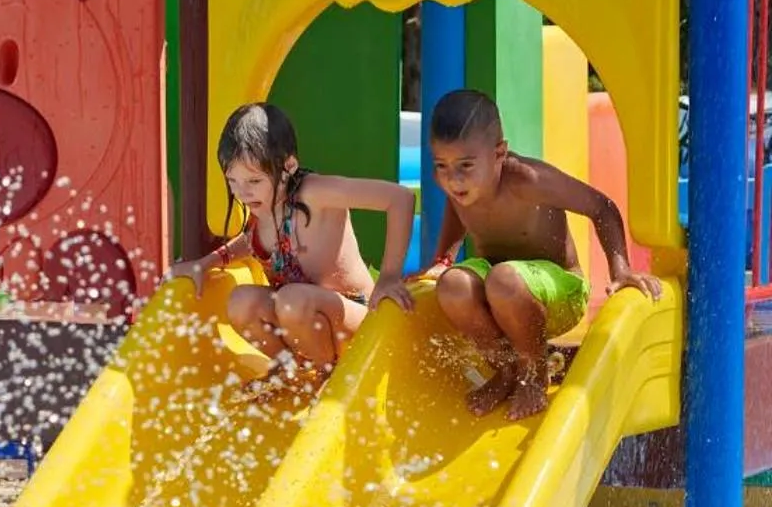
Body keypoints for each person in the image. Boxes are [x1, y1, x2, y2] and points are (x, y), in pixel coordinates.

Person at [370, 87, 661, 422]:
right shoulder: (462, 184)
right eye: (441, 165)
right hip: (499, 288)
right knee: (453, 285)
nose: (452, 179)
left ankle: (534, 372)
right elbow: (456, 208)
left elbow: (601, 206)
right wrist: (444, 260)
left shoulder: (527, 179)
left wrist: (620, 270)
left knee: (503, 279)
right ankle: (506, 371)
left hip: (559, 292)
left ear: (499, 153)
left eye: (465, 165)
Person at [169, 102, 418, 379]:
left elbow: (399, 198)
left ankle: (325, 376)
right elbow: (250, 242)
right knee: (241, 301)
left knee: (291, 300)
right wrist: (206, 263)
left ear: (288, 166)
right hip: (304, 319)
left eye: (253, 181)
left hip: (359, 322)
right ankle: (289, 371)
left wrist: (390, 277)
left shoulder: (315, 194)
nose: (242, 193)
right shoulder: (262, 209)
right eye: (233, 181)